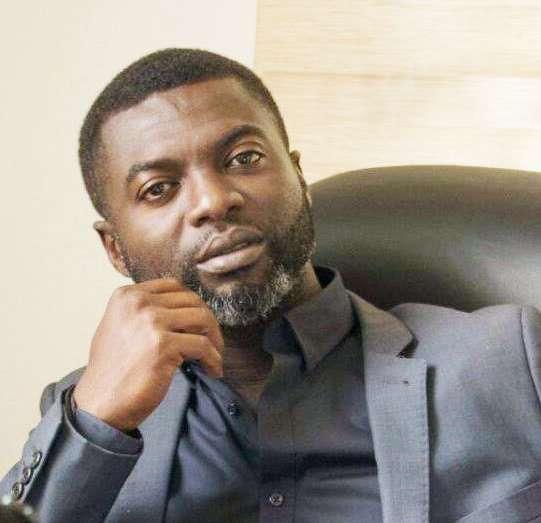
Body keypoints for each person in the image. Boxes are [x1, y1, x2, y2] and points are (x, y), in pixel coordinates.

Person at [1, 48, 541, 523]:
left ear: (299, 179)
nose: (214, 201)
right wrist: (93, 422)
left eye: (244, 159)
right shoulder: (90, 409)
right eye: (159, 188)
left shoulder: (508, 360)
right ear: (116, 248)